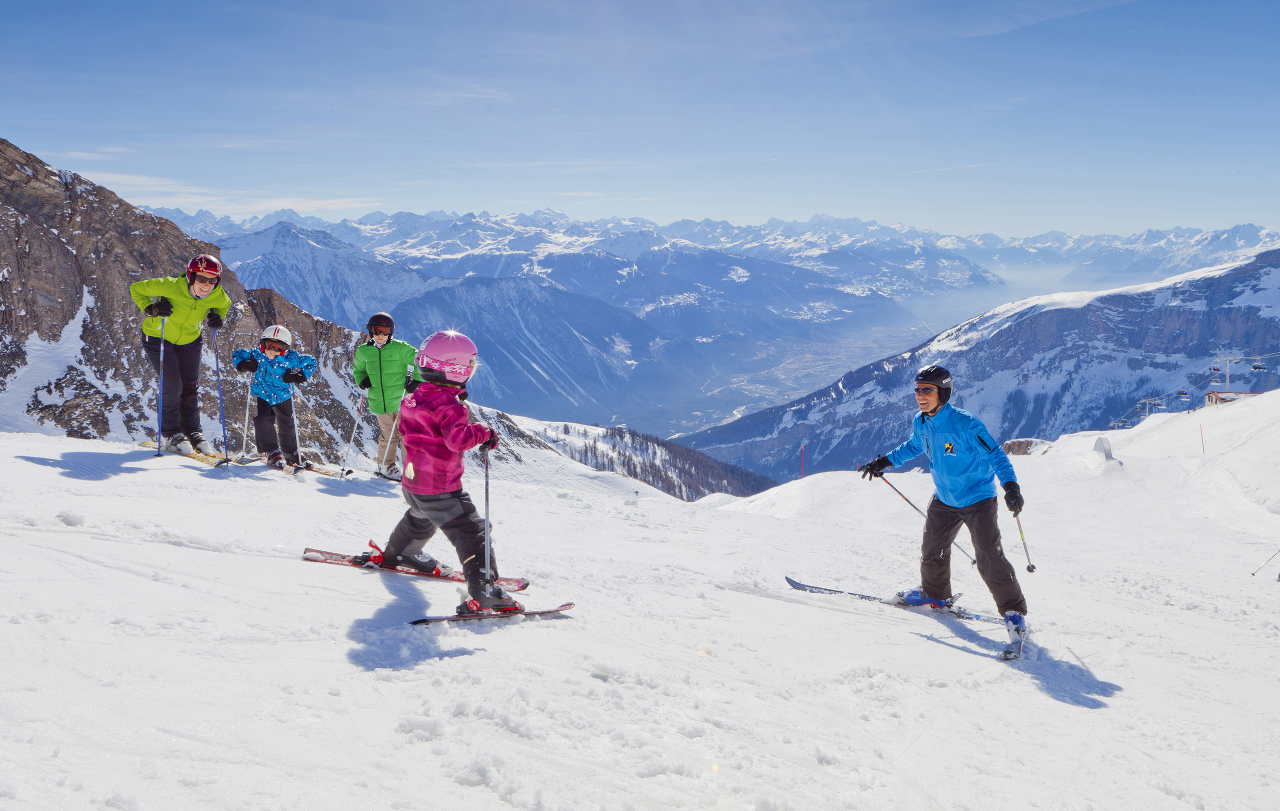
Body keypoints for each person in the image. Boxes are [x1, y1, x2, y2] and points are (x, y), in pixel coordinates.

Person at [857, 365, 1029, 649]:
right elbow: (914, 446)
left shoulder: (966, 424)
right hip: (945, 499)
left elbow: (996, 455)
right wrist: (884, 461)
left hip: (978, 499)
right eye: (917, 390)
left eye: (927, 390)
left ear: (943, 392)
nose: (920, 396)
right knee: (932, 551)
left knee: (989, 556)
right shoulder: (921, 422)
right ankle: (936, 595)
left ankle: (1014, 612)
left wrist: (1011, 486)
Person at [355, 329, 515, 614]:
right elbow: (457, 440)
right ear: (455, 370)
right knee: (472, 531)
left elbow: (406, 431)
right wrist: (483, 433)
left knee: (420, 516)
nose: (471, 370)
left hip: (413, 483)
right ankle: (485, 591)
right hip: (441, 488)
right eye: (470, 366)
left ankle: (400, 553)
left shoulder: (412, 398)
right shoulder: (450, 406)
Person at [129, 254, 233, 455]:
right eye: (201, 279)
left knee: (190, 386)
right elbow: (136, 288)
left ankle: (193, 432)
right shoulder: (169, 286)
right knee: (172, 384)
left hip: (190, 340)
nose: (206, 285)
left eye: (212, 280)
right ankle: (170, 434)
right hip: (157, 337)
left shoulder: (217, 295)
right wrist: (151, 308)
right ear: (190, 276)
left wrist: (217, 318)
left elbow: (224, 305)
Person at [231, 326, 318, 470]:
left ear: (285, 349)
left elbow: (312, 362)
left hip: (283, 396)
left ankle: (292, 455)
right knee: (263, 420)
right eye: (269, 345)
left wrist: (300, 374)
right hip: (263, 394)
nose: (272, 350)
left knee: (287, 425)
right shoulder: (256, 355)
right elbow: (238, 354)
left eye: (278, 348)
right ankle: (272, 452)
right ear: (262, 344)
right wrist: (243, 364)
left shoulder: (292, 359)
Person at [352, 312, 422, 479]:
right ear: (371, 331)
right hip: (380, 402)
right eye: (377, 331)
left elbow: (419, 359)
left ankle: (410, 470)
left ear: (391, 332)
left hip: (400, 399)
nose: (381, 335)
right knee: (387, 435)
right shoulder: (364, 351)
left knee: (406, 434)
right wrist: (362, 379)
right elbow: (358, 370)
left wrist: (417, 380)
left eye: (385, 331)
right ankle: (386, 466)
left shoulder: (401, 348)